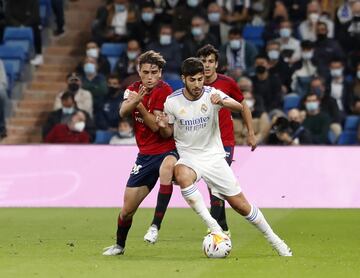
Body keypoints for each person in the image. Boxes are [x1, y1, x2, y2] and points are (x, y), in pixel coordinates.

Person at [156, 57, 292, 256]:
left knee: (241, 206)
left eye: (200, 79)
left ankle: (276, 241)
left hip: (213, 157)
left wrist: (223, 102)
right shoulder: (172, 101)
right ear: (183, 79)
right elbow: (167, 133)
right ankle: (215, 227)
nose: (197, 84)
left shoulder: (212, 94)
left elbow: (240, 107)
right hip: (189, 157)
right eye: (192, 80)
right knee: (181, 173)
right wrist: (162, 127)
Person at [147, 44, 256, 239]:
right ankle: (220, 227)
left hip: (224, 141)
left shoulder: (226, 83)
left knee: (216, 188)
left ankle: (218, 230)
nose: (207, 65)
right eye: (203, 61)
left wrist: (251, 132)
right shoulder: (186, 93)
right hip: (195, 146)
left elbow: (242, 105)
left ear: (216, 64)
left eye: (210, 61)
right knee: (204, 185)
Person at [103, 51, 179, 256]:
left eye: (154, 72)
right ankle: (119, 245)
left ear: (160, 73)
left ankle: (155, 226)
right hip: (144, 156)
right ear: (139, 71)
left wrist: (139, 104)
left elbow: (156, 128)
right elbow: (121, 112)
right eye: (145, 72)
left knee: (167, 168)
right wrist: (135, 99)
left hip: (166, 150)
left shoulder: (165, 91)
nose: (150, 77)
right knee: (127, 210)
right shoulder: (133, 89)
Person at [5, 0, 43, 66]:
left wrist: (24, 26)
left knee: (36, 27)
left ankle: (38, 55)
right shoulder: (10, 2)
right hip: (14, 25)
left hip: (30, 25)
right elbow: (8, 15)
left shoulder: (33, 1)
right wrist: (18, 25)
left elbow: (35, 16)